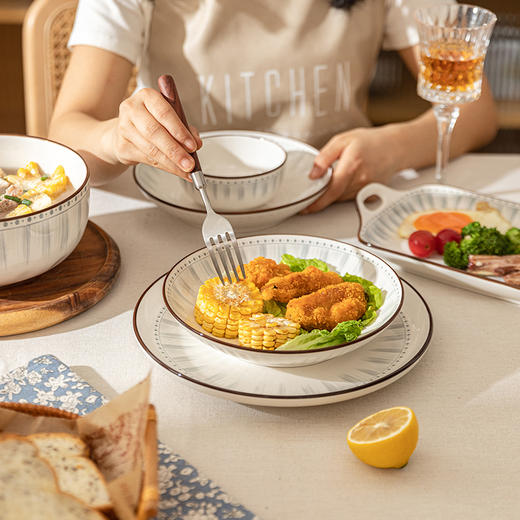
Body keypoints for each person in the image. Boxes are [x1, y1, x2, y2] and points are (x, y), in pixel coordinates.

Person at [49, 0, 498, 213]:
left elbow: (476, 110)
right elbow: (69, 132)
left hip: (337, 210)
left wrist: (396, 147)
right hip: (183, 218)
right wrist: (117, 137)